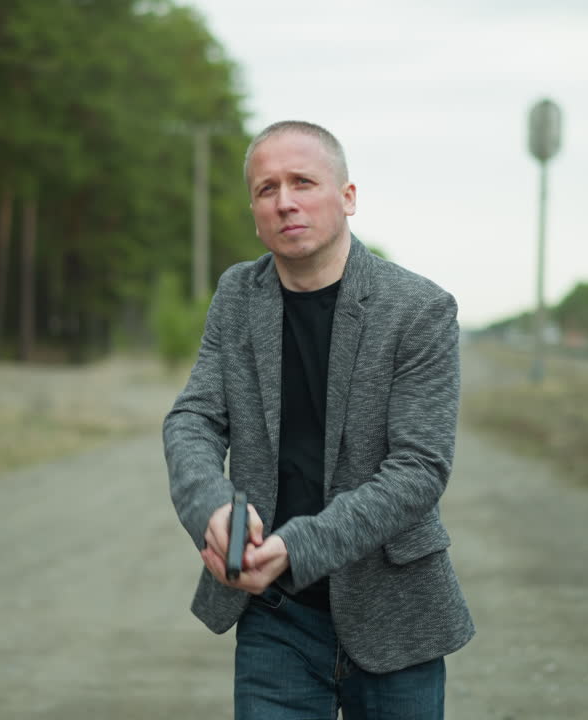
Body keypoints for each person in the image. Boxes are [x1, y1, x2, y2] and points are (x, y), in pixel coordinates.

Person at [163, 120, 473, 719]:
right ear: (255, 212)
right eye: (267, 188)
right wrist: (212, 508)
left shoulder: (419, 309)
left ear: (348, 197)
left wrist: (295, 545)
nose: (285, 201)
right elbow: (193, 418)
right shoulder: (237, 295)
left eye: (302, 182)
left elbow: (419, 469)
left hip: (396, 616)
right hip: (276, 618)